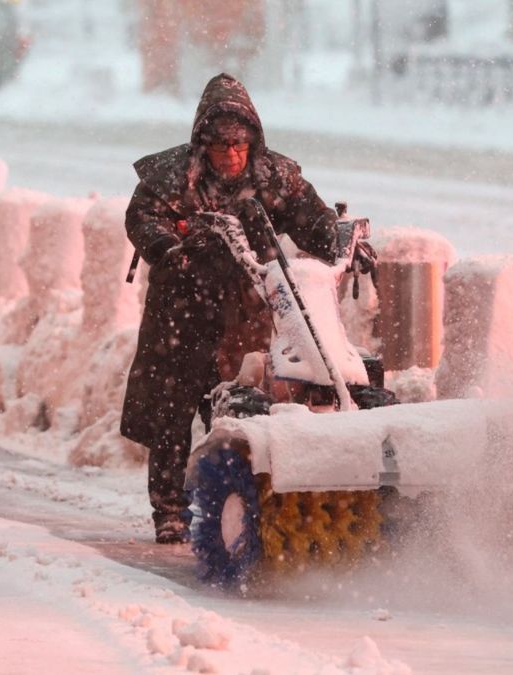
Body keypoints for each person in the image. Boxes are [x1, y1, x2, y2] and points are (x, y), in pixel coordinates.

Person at [120, 73, 376, 544]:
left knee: (243, 409)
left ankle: (235, 503)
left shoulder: (275, 177)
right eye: (221, 145)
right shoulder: (172, 176)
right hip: (181, 309)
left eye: (240, 144)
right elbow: (142, 218)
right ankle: (171, 510)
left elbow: (310, 219)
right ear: (203, 143)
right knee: (173, 415)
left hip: (246, 311)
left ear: (253, 141)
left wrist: (341, 240)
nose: (231, 155)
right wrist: (171, 250)